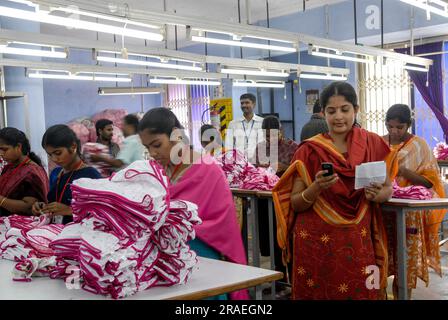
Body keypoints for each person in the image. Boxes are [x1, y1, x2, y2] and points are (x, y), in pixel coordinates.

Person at [273, 81, 393, 300]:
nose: (339, 116)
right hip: (316, 241)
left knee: (363, 291)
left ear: (356, 110)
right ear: (323, 113)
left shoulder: (371, 143)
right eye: (332, 111)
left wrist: (379, 195)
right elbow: (297, 203)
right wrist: (316, 188)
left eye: (345, 110)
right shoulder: (309, 150)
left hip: (358, 238)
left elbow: (388, 188)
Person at [138, 107, 249, 300]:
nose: (153, 153)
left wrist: (173, 225)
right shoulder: (158, 172)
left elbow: (222, 224)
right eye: (148, 148)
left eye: (157, 145)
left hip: (202, 251)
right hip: (164, 253)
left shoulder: (208, 170)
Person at [382, 103, 445, 299]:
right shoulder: (379, 143)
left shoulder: (419, 146)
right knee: (381, 262)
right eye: (390, 126)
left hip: (408, 215)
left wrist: (403, 171)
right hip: (382, 210)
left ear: (408, 125)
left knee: (404, 266)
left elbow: (430, 182)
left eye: (399, 127)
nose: (394, 131)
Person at [253, 116, 300, 294]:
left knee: (287, 240)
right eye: (265, 134)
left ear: (280, 130)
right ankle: (279, 281)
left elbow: (299, 169)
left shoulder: (292, 147)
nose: (269, 138)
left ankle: (295, 283)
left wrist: (284, 166)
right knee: (271, 241)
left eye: (272, 134)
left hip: (286, 200)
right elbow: (254, 170)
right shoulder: (260, 148)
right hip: (265, 200)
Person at [32, 125, 101, 224]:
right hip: (56, 232)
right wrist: (44, 207)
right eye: (50, 154)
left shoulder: (91, 175)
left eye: (58, 153)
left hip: (78, 234)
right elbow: (57, 201)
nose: (54, 159)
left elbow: (102, 213)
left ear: (73, 147)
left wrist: (70, 210)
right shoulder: (56, 173)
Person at [0, 127, 48, 216]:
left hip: (24, 226)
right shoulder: (8, 167)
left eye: (5, 149)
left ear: (18, 147)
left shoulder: (32, 171)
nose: (1, 153)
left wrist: (1, 200)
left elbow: (29, 207)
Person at [225, 93, 264, 161]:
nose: (244, 105)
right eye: (242, 103)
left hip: (258, 162)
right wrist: (230, 161)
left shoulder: (262, 122)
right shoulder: (233, 124)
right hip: (238, 163)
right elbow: (228, 146)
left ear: (254, 104)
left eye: (247, 102)